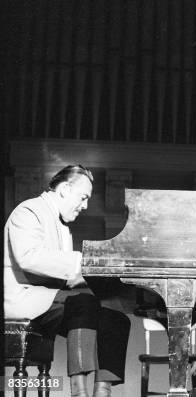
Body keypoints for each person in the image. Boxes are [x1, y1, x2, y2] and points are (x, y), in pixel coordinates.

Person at [4, 165, 131, 397]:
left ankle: (102, 393)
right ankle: (78, 392)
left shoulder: (61, 223)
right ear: (64, 189)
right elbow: (29, 258)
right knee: (84, 302)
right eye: (83, 198)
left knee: (116, 319)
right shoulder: (29, 211)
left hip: (49, 299)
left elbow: (64, 275)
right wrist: (81, 262)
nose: (85, 206)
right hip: (23, 298)